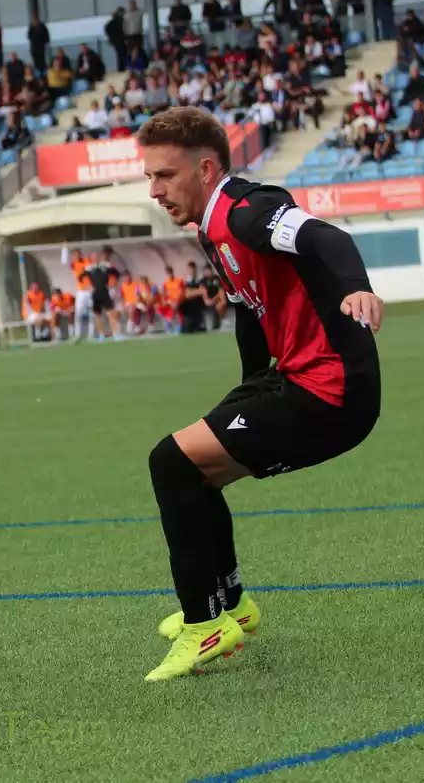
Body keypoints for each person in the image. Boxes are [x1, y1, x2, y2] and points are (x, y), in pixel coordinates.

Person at [136, 107, 382, 681]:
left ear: (205, 168)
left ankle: (206, 626)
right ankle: (232, 607)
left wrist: (358, 289)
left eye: (165, 176)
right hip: (293, 376)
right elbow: (251, 314)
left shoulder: (247, 213)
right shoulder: (211, 226)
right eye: (149, 177)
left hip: (331, 390)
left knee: (170, 461)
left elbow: (327, 236)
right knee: (192, 468)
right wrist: (245, 392)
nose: (155, 190)